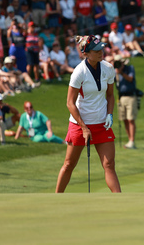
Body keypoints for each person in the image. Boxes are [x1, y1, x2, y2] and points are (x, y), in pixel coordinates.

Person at [56, 35, 121, 193]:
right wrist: (84, 128)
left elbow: (110, 95)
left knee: (109, 164)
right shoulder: (79, 72)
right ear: (86, 53)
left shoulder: (108, 68)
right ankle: (56, 198)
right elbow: (70, 103)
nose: (101, 52)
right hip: (80, 125)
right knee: (69, 164)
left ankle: (120, 200)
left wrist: (109, 114)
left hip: (101, 123)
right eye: (96, 50)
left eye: (102, 48)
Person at [114, 55, 138, 149]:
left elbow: (130, 79)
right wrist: (116, 73)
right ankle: (129, 140)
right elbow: (114, 82)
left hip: (130, 96)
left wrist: (121, 72)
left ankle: (132, 141)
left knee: (131, 119)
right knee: (124, 119)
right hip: (121, 97)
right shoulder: (115, 71)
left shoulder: (129, 68)